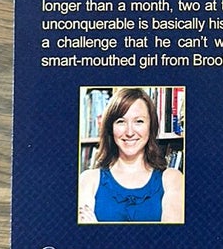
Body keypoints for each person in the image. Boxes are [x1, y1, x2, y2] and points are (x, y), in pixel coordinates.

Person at [79, 88, 184, 223]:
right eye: (121, 121)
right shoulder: (88, 180)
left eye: (139, 121)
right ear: (110, 128)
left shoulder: (173, 179)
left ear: (151, 126)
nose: (129, 132)